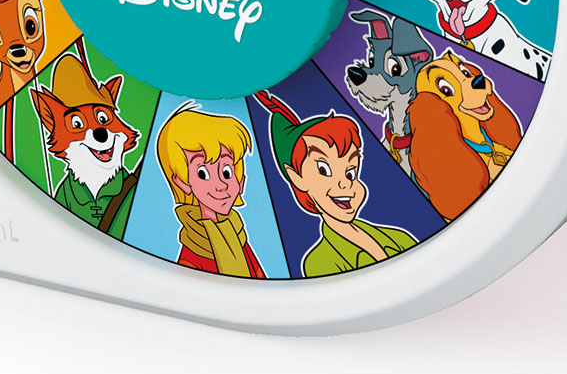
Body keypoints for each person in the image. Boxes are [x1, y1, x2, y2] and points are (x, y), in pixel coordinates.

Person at [254, 90, 416, 276]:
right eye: (324, 170)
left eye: (350, 172)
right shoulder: (319, 263)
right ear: (296, 177)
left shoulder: (399, 237)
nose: (344, 184)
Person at [155, 105, 266, 278]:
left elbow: (257, 275)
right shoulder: (195, 245)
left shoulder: (236, 231)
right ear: (183, 182)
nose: (221, 185)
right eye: (203, 174)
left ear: (240, 180)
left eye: (227, 172)